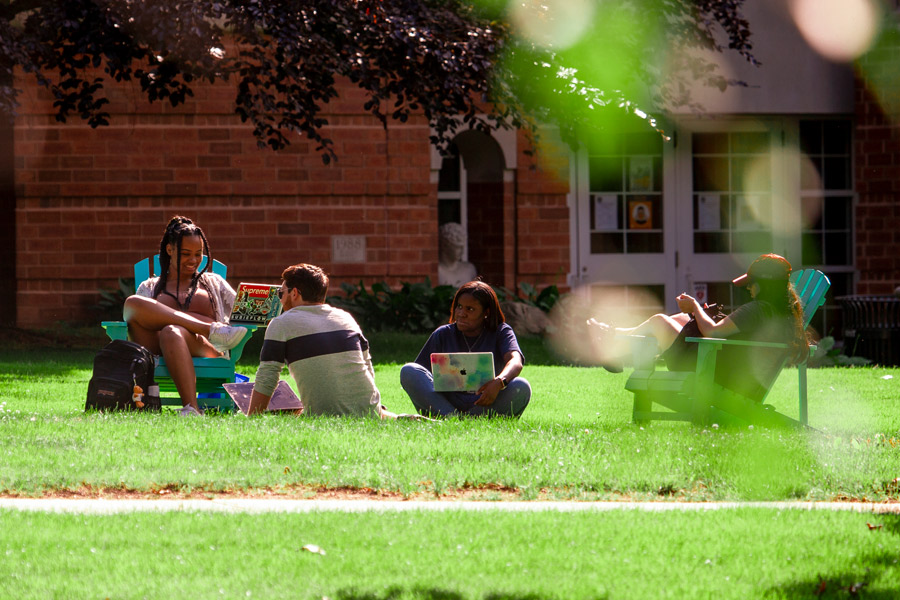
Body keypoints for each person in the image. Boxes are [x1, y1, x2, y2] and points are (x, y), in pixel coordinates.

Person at [587, 253, 808, 400]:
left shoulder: (758, 310)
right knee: (681, 321)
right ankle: (613, 336)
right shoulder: (784, 314)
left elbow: (713, 331)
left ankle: (613, 343)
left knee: (659, 322)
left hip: (713, 374)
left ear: (765, 284)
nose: (749, 288)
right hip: (732, 373)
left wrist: (694, 306)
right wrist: (693, 314)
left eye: (752, 283)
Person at [123, 216, 249, 416]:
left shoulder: (212, 283)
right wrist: (203, 326)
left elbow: (244, 313)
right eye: (186, 254)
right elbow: (134, 318)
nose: (193, 260)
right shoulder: (150, 287)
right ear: (170, 250)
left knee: (172, 332)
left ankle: (191, 408)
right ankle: (209, 329)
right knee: (132, 303)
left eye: (198, 254)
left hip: (204, 347)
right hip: (157, 350)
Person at [247, 263, 394, 418]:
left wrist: (251, 418)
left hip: (325, 415)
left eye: (280, 293)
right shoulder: (345, 317)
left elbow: (267, 376)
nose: (280, 299)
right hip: (370, 412)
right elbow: (367, 367)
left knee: (290, 414)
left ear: (295, 293)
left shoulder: (281, 323)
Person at [400, 280, 532, 417]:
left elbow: (515, 361)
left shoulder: (501, 331)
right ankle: (452, 417)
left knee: (521, 386)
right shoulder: (443, 334)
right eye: (459, 306)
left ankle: (458, 420)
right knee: (409, 370)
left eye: (470, 309)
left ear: (486, 312)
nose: (461, 313)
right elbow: (421, 375)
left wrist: (499, 382)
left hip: (486, 400)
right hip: (447, 401)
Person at [437, 222, 477, 287]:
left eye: (463, 247)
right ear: (445, 246)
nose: (462, 251)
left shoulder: (469, 270)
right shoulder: (437, 271)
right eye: (457, 247)